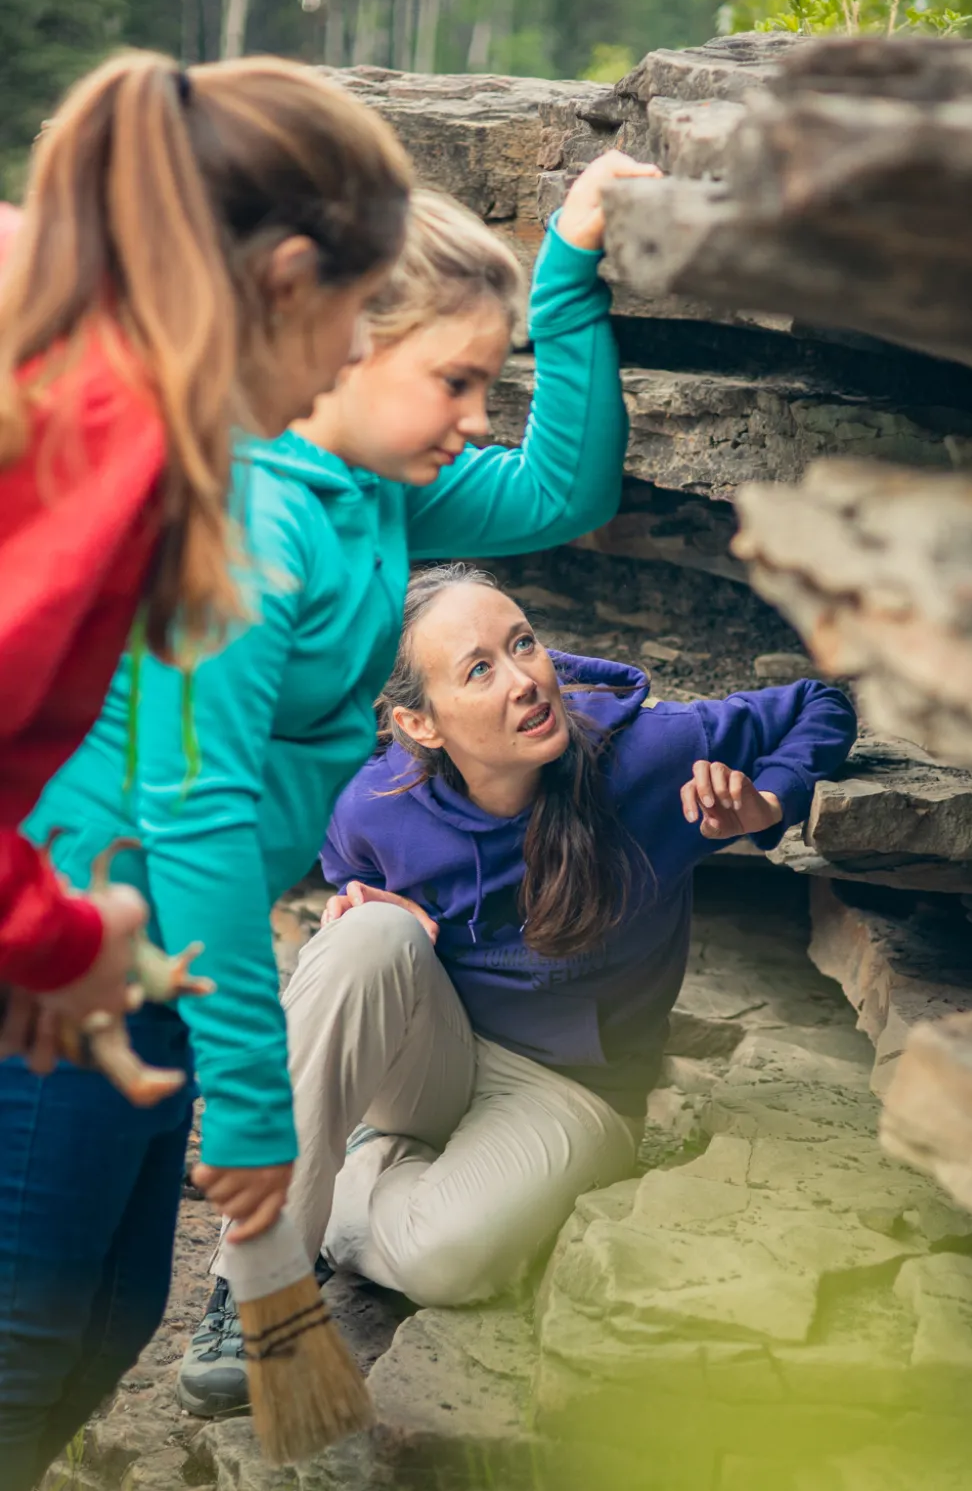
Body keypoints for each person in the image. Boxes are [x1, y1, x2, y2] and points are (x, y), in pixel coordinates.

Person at [11, 154, 648, 1486]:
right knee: (28, 1330)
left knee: (110, 1315)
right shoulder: (248, 526)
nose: (477, 418)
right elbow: (191, 825)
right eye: (455, 381)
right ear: (344, 345)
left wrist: (573, 271)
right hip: (67, 957)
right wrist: (254, 1114)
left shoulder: (374, 488)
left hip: (161, 968)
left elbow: (560, 494)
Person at [179, 563, 858, 1412]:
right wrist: (362, 907)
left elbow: (822, 705)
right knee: (364, 936)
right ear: (417, 724)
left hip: (572, 1091)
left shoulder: (649, 755)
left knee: (443, 1263)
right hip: (438, 1056)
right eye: (479, 669)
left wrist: (767, 805)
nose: (526, 680)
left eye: (523, 644)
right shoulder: (371, 803)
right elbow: (346, 877)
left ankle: (341, 1184)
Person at [0, 49, 411, 1075]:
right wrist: (65, 938)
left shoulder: (76, 370)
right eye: (359, 306)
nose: (359, 350)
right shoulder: (112, 433)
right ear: (285, 282)